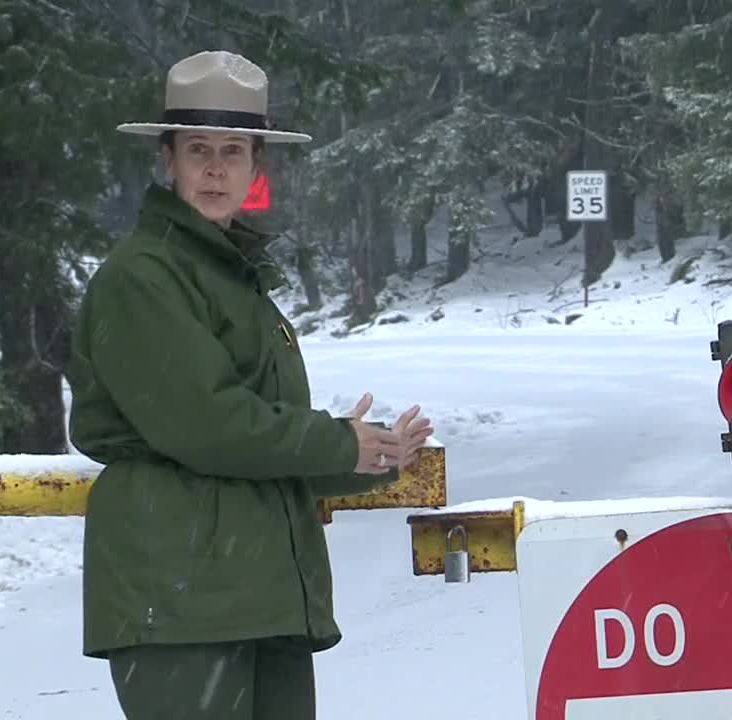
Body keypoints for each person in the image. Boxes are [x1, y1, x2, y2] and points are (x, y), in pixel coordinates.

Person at [64, 50, 434, 720]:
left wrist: (369, 452)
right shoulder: (143, 277)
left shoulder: (231, 275)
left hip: (260, 596)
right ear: (168, 160)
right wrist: (332, 442)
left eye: (233, 151)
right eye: (197, 148)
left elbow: (259, 441)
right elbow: (207, 426)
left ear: (255, 167)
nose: (214, 167)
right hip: (181, 598)